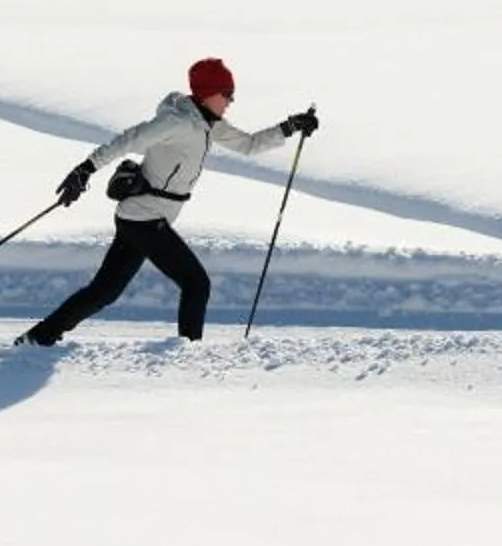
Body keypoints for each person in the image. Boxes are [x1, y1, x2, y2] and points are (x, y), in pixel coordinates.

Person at [19, 57, 317, 347]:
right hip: (146, 219)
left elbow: (249, 145)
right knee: (196, 283)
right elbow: (128, 139)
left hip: (138, 218)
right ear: (208, 93)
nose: (230, 101)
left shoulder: (207, 123)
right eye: (227, 94)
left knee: (104, 292)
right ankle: (188, 352)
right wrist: (85, 170)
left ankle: (38, 337)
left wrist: (290, 127)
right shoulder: (177, 122)